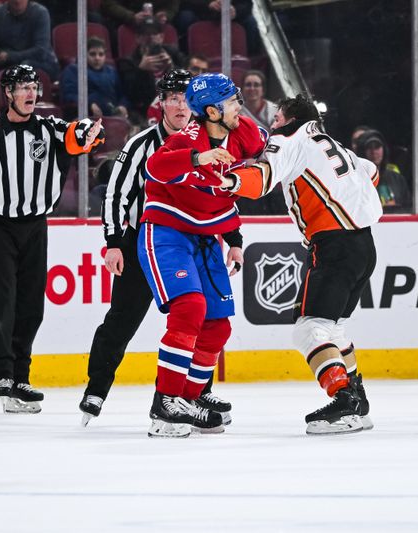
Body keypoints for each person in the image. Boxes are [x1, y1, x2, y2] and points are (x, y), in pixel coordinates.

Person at [218, 94, 382, 435]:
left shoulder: (286, 140)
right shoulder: (330, 142)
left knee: (309, 328)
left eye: (277, 118)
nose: (272, 124)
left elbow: (262, 179)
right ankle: (357, 400)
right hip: (364, 244)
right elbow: (371, 172)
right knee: (332, 326)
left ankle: (344, 400)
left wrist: (227, 181)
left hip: (333, 244)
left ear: (290, 120)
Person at [78, 69, 233, 427]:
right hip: (143, 244)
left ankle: (194, 392)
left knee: (201, 317)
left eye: (185, 98)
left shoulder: (208, 141)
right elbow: (116, 194)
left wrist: (232, 239)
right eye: (173, 98)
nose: (180, 106)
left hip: (190, 242)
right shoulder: (140, 144)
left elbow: (221, 194)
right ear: (161, 103)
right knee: (122, 321)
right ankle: (97, 388)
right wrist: (114, 243)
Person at [0, 64, 104, 413]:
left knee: (32, 305)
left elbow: (77, 136)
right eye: (23, 88)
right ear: (7, 93)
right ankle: (3, 375)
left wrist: (89, 132)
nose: (31, 93)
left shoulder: (49, 128)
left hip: (35, 226)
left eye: (34, 87)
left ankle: (21, 377)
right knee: (1, 302)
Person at [139, 72, 266, 437]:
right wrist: (198, 157)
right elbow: (155, 168)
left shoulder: (243, 131)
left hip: (207, 238)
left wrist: (235, 239)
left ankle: (189, 398)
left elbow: (271, 151)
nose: (239, 106)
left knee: (218, 324)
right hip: (166, 232)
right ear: (211, 111)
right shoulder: (186, 139)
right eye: (230, 101)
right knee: (190, 308)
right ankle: (164, 404)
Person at [117, 17, 185, 118]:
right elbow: (130, 96)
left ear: (161, 37)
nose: (150, 37)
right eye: (146, 34)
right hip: (144, 111)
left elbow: (188, 80)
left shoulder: (173, 53)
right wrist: (141, 70)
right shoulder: (127, 62)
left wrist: (172, 68)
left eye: (154, 33)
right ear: (137, 37)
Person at [0, 0, 60, 80]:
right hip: (7, 62)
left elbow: (41, 51)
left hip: (40, 63)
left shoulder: (40, 13)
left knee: (25, 66)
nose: (17, 1)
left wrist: (10, 56)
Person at [61, 37, 130, 119]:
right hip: (84, 117)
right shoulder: (73, 70)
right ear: (84, 54)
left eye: (101, 54)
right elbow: (68, 96)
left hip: (112, 116)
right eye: (92, 54)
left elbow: (122, 95)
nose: (97, 58)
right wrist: (89, 104)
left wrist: (123, 106)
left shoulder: (112, 71)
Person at [357, 129, 412, 213]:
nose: (374, 152)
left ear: (384, 149)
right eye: (369, 147)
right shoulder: (356, 181)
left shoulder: (397, 179)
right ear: (362, 152)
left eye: (377, 147)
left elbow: (409, 207)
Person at [145, 54, 209, 125]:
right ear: (184, 70)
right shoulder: (163, 100)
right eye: (195, 69)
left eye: (204, 71)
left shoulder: (212, 99)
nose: (200, 74)